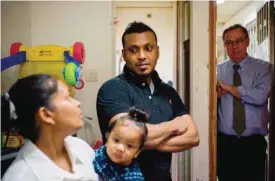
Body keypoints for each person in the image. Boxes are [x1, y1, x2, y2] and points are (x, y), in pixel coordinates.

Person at [96, 21, 200, 181]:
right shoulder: (112, 89)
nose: (142, 56)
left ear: (157, 52)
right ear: (124, 55)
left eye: (148, 48)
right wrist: (174, 125)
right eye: (133, 50)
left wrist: (142, 141)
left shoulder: (168, 92)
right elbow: (127, 135)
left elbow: (193, 137)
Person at [2, 74, 99, 181]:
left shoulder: (81, 148)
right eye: (67, 98)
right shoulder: (21, 177)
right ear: (46, 115)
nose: (77, 103)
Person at [217, 24, 272, 181]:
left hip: (252, 145)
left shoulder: (264, 68)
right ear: (225, 45)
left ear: (247, 42)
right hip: (226, 144)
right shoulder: (217, 71)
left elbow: (260, 96)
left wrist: (229, 88)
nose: (234, 47)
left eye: (239, 41)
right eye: (229, 42)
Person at [93, 106, 148, 181]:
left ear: (137, 152)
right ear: (107, 136)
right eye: (116, 140)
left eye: (129, 146)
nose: (120, 148)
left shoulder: (134, 177)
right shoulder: (95, 153)